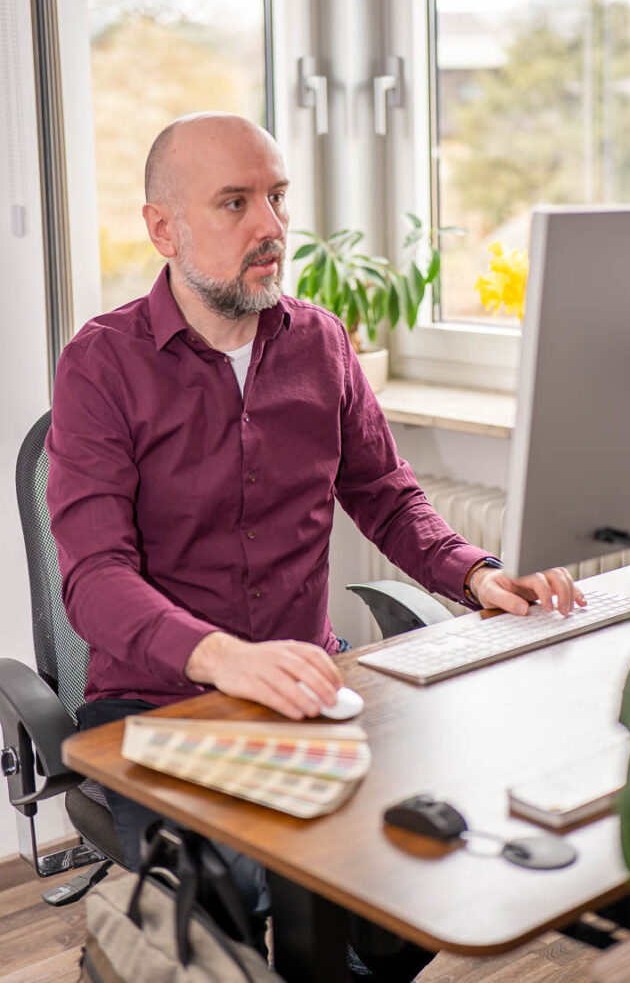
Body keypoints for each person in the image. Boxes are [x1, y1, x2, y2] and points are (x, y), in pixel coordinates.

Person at [46, 112, 584, 981]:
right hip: (158, 707)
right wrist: (221, 658)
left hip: (312, 689)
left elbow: (385, 495)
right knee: (227, 890)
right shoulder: (101, 366)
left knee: (419, 863)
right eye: (235, 202)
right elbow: (95, 581)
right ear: (162, 228)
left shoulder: (322, 342)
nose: (272, 226)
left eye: (277, 197)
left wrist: (477, 573)